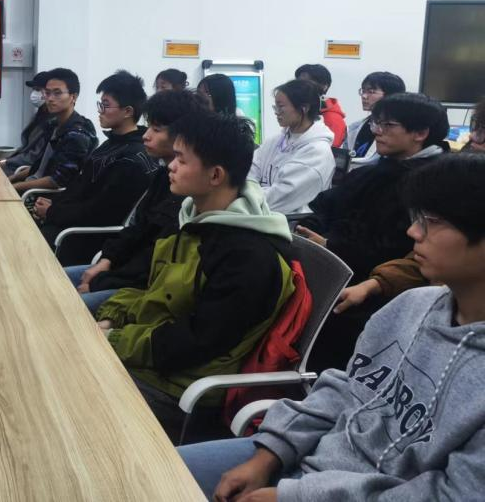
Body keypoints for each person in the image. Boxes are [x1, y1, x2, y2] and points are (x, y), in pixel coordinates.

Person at [179, 153, 485, 502]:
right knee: (156, 471)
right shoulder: (409, 306)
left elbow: (451, 494)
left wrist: (294, 496)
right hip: (308, 459)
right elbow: (345, 387)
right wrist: (268, 455)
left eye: (432, 221)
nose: (413, 232)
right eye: (418, 218)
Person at [94, 111, 295, 441]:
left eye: (181, 160)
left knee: (64, 373)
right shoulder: (194, 220)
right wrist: (112, 318)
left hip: (182, 388)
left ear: (215, 175)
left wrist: (114, 339)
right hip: (155, 357)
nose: (170, 166)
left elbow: (198, 341)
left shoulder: (248, 257)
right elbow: (151, 291)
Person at [296, 92, 449, 371]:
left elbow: (400, 246)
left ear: (420, 133)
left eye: (388, 125)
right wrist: (312, 229)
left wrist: (331, 245)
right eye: (376, 123)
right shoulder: (378, 169)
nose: (377, 131)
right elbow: (326, 204)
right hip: (339, 268)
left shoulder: (435, 183)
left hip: (379, 287)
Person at [65, 89, 207, 311]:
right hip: (120, 271)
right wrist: (107, 260)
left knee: (64, 307)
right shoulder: (164, 175)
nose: (146, 136)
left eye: (156, 130)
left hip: (141, 287)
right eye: (148, 127)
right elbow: (137, 228)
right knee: (50, 278)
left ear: (182, 136)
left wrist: (101, 281)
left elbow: (152, 264)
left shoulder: (190, 191)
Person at [32, 71, 157, 264]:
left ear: (127, 111)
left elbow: (99, 213)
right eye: (100, 104)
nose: (100, 110)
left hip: (80, 238)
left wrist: (52, 212)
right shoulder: (112, 144)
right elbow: (80, 189)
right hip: (68, 224)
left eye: (106, 105)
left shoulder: (131, 160)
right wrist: (52, 205)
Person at [248, 79, 335, 214]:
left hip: (291, 221)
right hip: (263, 211)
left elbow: (280, 198)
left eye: (281, 107)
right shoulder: (276, 140)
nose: (276, 112)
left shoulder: (317, 152)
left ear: (304, 108)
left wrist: (243, 197)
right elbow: (249, 169)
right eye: (275, 107)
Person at [12, 68, 98, 196]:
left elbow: (57, 180)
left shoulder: (77, 134)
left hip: (42, 197)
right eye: (47, 93)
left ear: (73, 97)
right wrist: (11, 179)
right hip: (31, 186)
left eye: (57, 93)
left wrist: (16, 187)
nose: (50, 98)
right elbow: (40, 166)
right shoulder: (53, 125)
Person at [344, 71, 406, 170]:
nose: (364, 96)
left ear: (390, 95)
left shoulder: (399, 129)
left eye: (371, 91)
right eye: (363, 91)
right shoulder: (354, 127)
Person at [1, 71, 53, 178]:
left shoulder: (52, 122)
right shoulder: (39, 115)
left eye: (38, 89)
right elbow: (26, 148)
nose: (34, 94)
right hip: (21, 165)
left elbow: (34, 157)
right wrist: (6, 160)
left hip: (28, 170)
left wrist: (7, 162)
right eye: (34, 89)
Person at [295, 63, 346, 148]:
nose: (300, 88)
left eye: (306, 84)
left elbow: (330, 151)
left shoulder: (332, 118)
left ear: (324, 86)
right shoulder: (299, 112)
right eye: (298, 84)